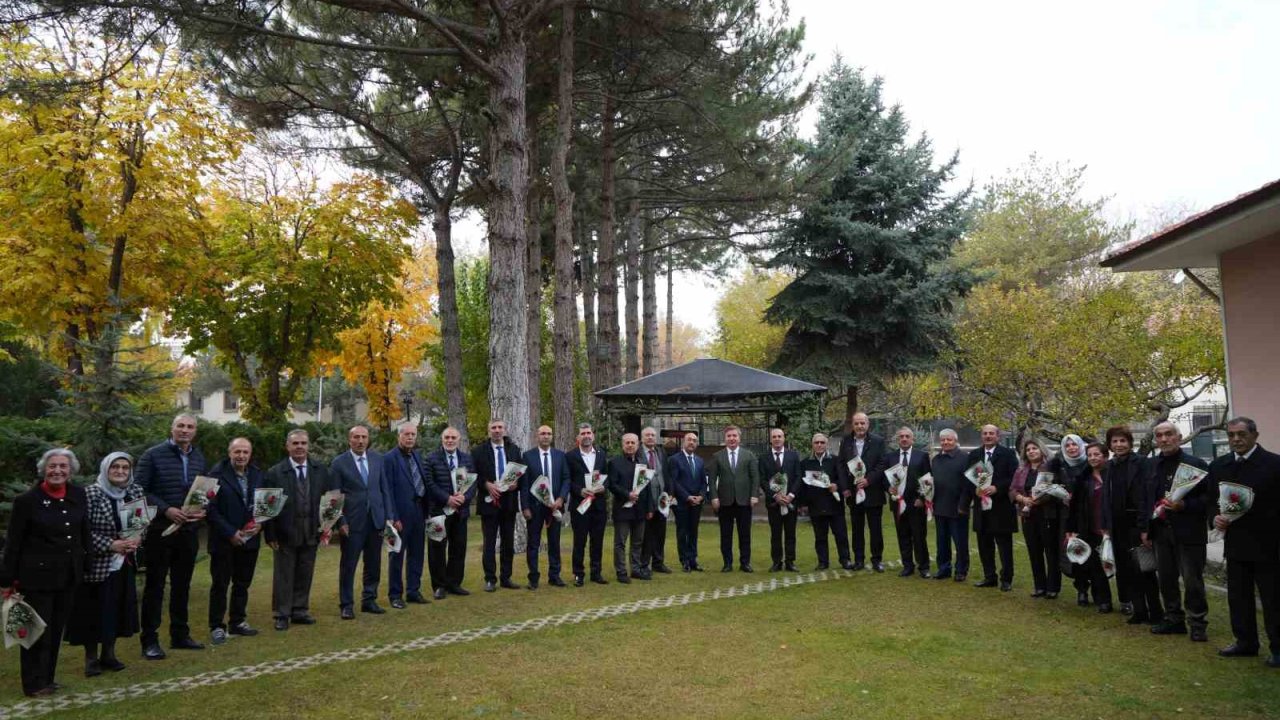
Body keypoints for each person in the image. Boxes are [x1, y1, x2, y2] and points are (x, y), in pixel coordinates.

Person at [1, 449, 90, 697]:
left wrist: (86, 564)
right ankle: (33, 683)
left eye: (63, 466)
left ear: (70, 470)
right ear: (44, 469)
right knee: (36, 631)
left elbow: (84, 533)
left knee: (56, 630)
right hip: (36, 578)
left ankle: (48, 679)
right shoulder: (26, 501)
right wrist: (7, 580)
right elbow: (13, 543)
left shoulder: (78, 495)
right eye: (53, 466)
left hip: (67, 576)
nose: (58, 471)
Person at [1209, 417, 1280, 666]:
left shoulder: (1274, 464)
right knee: (1238, 597)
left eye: (1241, 434)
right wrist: (1215, 518)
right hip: (1235, 544)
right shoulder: (1220, 466)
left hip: (1268, 544)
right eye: (1231, 435)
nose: (1236, 439)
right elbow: (1211, 501)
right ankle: (1245, 642)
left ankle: (1278, 649)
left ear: (1255, 435)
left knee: (1273, 599)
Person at [136, 413, 207, 659]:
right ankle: (150, 640)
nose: (185, 431)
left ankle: (180, 635)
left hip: (188, 532)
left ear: (195, 431)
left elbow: (202, 491)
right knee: (155, 587)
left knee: (182, 586)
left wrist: (201, 511)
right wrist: (166, 509)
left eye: (189, 427)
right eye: (180, 426)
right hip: (160, 532)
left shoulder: (198, 457)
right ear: (172, 428)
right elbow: (140, 490)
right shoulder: (152, 455)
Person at [67, 452, 141, 677]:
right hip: (98, 563)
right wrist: (110, 545)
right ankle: (91, 659)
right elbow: (81, 531)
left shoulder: (135, 491)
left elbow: (140, 522)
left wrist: (137, 538)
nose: (120, 471)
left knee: (117, 608)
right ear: (106, 469)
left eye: (124, 468)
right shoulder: (90, 493)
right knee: (92, 611)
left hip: (124, 562)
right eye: (115, 467)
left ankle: (109, 654)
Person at [1140, 421, 1213, 641]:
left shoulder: (1196, 464)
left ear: (1179, 437)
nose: (1164, 439)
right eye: (1159, 435)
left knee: (1192, 581)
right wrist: (1145, 528)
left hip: (1189, 531)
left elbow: (1209, 498)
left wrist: (1185, 506)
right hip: (1161, 531)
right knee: (1166, 579)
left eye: (1169, 434)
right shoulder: (1150, 465)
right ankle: (1173, 619)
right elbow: (1145, 499)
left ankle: (1197, 623)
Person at [263, 429, 330, 631]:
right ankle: (282, 614)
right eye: (295, 444)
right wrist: (270, 533)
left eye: (303, 443)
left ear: (308, 446)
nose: (299, 447)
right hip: (285, 531)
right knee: (284, 574)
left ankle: (300, 609)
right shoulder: (275, 472)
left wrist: (326, 526)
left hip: (311, 529)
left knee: (305, 572)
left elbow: (328, 499)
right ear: (288, 447)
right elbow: (267, 506)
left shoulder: (320, 469)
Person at [1101, 425, 1163, 624]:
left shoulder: (1143, 463)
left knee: (1144, 569)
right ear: (1110, 445)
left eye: (1122, 441)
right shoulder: (1109, 466)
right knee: (1127, 570)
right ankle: (1139, 611)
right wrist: (1106, 525)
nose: (1119, 445)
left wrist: (1145, 527)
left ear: (1130, 442)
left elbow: (1147, 495)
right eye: (1115, 441)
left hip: (1137, 523)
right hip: (1117, 525)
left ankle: (1155, 612)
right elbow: (1106, 498)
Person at [204, 438, 264, 644]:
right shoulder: (216, 475)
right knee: (220, 584)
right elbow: (210, 509)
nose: (241, 456)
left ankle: (237, 622)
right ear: (229, 453)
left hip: (249, 539)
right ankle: (217, 626)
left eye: (245, 452)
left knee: (242, 584)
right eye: (237, 451)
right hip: (224, 540)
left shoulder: (257, 474)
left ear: (250, 454)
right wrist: (230, 532)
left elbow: (264, 504)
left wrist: (260, 523)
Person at [329, 425, 392, 619]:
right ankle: (346, 604)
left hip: (376, 520)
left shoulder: (377, 459)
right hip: (352, 523)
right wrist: (341, 522)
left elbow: (384, 490)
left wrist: (388, 516)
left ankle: (369, 599)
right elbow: (334, 496)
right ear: (350, 440)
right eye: (356, 437)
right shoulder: (339, 463)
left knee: (373, 563)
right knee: (349, 565)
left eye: (364, 437)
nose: (361, 441)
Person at [1011, 438, 1066, 599]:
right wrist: (1022, 499)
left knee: (1051, 552)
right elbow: (1012, 490)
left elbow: (1058, 490)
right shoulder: (1021, 470)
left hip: (1047, 515)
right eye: (1028, 450)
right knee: (1034, 552)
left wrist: (1039, 500)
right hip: (1028, 515)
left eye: (1034, 448)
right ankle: (1039, 586)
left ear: (1041, 450)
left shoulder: (1051, 468)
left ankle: (1052, 587)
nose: (1031, 451)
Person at [425, 426, 477, 598]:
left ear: (458, 439)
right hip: (437, 512)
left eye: (453, 437)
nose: (450, 440)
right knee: (436, 549)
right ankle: (439, 586)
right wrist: (448, 499)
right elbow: (429, 484)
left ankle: (454, 583)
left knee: (458, 548)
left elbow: (473, 482)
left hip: (460, 513)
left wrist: (464, 498)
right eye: (447, 437)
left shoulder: (467, 459)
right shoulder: (431, 458)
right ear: (442, 439)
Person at [473, 419, 523, 592]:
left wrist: (516, 484)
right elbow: (473, 476)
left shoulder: (514, 450)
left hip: (508, 503)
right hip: (489, 504)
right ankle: (490, 579)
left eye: (500, 427)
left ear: (505, 430)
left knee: (508, 542)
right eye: (493, 428)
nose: (497, 430)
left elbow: (521, 474)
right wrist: (487, 485)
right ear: (489, 431)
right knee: (489, 542)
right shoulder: (478, 451)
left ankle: (506, 577)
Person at [383, 423, 429, 608]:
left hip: (419, 512)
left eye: (413, 434)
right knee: (396, 554)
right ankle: (395, 595)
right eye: (407, 434)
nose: (410, 437)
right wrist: (393, 517)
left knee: (417, 553)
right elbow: (387, 490)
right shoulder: (389, 459)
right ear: (399, 436)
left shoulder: (417, 455)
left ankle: (413, 591)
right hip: (399, 516)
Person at [1065, 442, 1114, 613]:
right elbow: (1074, 505)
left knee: (1114, 565)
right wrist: (1070, 529)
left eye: (1097, 454)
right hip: (1090, 527)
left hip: (1112, 528)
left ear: (1105, 456)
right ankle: (1103, 600)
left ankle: (1127, 600)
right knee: (1095, 566)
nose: (1093, 458)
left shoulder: (1113, 475)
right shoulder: (1083, 478)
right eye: (1090, 455)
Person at [968, 425, 1017, 591]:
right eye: (985, 433)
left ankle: (1006, 579)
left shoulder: (1008, 454)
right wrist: (974, 489)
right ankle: (989, 577)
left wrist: (997, 488)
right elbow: (969, 477)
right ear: (981, 436)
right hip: (981, 508)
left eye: (991, 433)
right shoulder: (974, 455)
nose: (988, 436)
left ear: (998, 436)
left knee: (1004, 546)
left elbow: (1014, 477)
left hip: (1001, 507)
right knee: (984, 545)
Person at [877, 427, 931, 578]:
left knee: (919, 536)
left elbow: (927, 479)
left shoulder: (922, 456)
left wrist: (922, 499)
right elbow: (883, 479)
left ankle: (924, 567)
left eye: (907, 436)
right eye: (901, 437)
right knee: (903, 536)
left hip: (916, 504)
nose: (904, 439)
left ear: (912, 439)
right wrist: (889, 489)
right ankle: (907, 566)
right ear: (898, 440)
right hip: (898, 503)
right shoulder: (890, 457)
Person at [519, 425, 568, 589]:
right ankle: (533, 578)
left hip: (555, 506)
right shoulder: (527, 456)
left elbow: (566, 479)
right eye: (542, 434)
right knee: (533, 543)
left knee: (554, 542)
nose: (546, 436)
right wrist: (525, 507)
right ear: (537, 436)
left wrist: (561, 499)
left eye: (548, 433)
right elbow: (524, 484)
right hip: (535, 507)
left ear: (552, 436)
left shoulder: (561, 456)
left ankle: (555, 576)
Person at [838, 412, 887, 572]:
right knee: (857, 529)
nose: (860, 426)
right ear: (853, 425)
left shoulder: (878, 441)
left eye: (862, 423)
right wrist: (845, 488)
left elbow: (881, 464)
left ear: (868, 424)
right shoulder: (845, 441)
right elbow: (841, 465)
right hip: (853, 493)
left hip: (873, 491)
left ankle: (877, 560)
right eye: (857, 423)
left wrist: (868, 480)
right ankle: (859, 560)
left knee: (875, 529)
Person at [708, 426, 760, 572]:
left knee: (745, 534)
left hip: (744, 501)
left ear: (739, 438)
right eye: (729, 436)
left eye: (734, 436)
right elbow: (712, 480)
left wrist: (754, 495)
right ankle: (727, 563)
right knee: (726, 535)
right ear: (725, 438)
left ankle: (745, 563)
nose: (732, 438)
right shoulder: (717, 456)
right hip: (724, 502)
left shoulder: (749, 455)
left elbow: (755, 477)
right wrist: (714, 497)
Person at [798, 433, 852, 570]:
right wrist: (803, 504)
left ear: (826, 444)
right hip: (815, 504)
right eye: (816, 443)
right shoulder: (805, 463)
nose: (819, 445)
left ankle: (845, 560)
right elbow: (802, 485)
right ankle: (823, 562)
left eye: (822, 442)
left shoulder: (835, 460)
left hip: (834, 504)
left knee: (840, 534)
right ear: (812, 445)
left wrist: (837, 486)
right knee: (820, 536)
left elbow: (843, 478)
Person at [565, 423, 609, 586]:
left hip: (598, 505)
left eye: (589, 433)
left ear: (593, 436)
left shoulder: (601, 454)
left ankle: (596, 573)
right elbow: (567, 479)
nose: (586, 436)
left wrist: (605, 486)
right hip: (580, 505)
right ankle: (578, 574)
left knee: (597, 541)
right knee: (580, 541)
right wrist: (580, 490)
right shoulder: (570, 456)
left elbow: (607, 476)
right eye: (583, 433)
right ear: (578, 437)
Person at [607, 433, 651, 583]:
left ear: (638, 445)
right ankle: (621, 572)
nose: (630, 445)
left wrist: (649, 508)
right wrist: (627, 495)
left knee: (637, 542)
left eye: (633, 443)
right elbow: (612, 485)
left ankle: (636, 569)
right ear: (622, 445)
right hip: (622, 509)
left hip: (640, 510)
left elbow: (647, 488)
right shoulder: (614, 462)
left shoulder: (642, 463)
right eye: (627, 443)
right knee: (620, 542)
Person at [929, 429, 972, 582]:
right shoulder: (935, 459)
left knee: (960, 542)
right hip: (939, 507)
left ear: (955, 440)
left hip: (958, 508)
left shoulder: (965, 458)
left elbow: (969, 485)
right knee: (942, 542)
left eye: (949, 440)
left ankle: (961, 570)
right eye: (943, 440)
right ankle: (944, 568)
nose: (946, 442)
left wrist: (964, 505)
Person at [759, 428, 801, 572]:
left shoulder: (793, 455)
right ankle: (777, 562)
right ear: (771, 439)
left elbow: (798, 477)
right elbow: (762, 480)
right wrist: (775, 496)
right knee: (775, 534)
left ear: (784, 438)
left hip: (790, 502)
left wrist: (790, 496)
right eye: (774, 437)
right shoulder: (764, 458)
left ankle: (790, 562)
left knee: (791, 533)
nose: (777, 439)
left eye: (779, 436)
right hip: (773, 503)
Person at [667, 432, 707, 573]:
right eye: (689, 440)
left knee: (693, 532)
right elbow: (674, 481)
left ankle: (693, 559)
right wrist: (687, 496)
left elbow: (703, 482)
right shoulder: (674, 460)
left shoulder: (700, 461)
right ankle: (684, 560)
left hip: (697, 503)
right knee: (682, 531)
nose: (692, 442)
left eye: (694, 440)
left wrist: (701, 496)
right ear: (684, 442)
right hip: (682, 503)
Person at [639, 427, 672, 575]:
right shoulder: (638, 454)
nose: (651, 437)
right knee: (646, 535)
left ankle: (658, 562)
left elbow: (666, 474)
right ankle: (644, 564)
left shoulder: (661, 451)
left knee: (660, 533)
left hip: (662, 500)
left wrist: (669, 494)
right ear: (642, 438)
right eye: (647, 435)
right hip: (646, 500)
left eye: (653, 435)